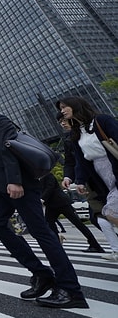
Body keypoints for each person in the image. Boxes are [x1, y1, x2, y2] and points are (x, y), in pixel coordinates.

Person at [0, 92, 87, 308]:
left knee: (41, 232)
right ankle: (41, 274)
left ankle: (71, 290)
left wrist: (15, 181)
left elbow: (8, 149)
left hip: (19, 184)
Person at [57, 112, 118, 261]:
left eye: (65, 120)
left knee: (105, 214)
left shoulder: (95, 127)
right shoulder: (69, 139)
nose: (63, 124)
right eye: (60, 122)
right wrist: (69, 177)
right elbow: (72, 162)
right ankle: (115, 249)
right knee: (99, 216)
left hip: (108, 174)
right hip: (91, 183)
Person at [39, 173, 104, 252]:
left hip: (62, 203)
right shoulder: (36, 178)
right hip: (51, 205)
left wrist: (42, 199)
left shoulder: (48, 175)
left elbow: (50, 187)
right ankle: (56, 243)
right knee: (49, 223)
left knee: (78, 224)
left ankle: (95, 245)